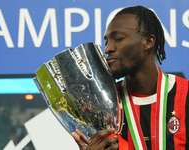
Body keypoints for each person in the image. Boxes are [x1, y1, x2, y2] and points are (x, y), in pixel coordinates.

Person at [72, 5, 189, 150]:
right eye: (106, 42)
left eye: (118, 39)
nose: (108, 49)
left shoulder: (186, 95)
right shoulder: (102, 106)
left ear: (148, 42)